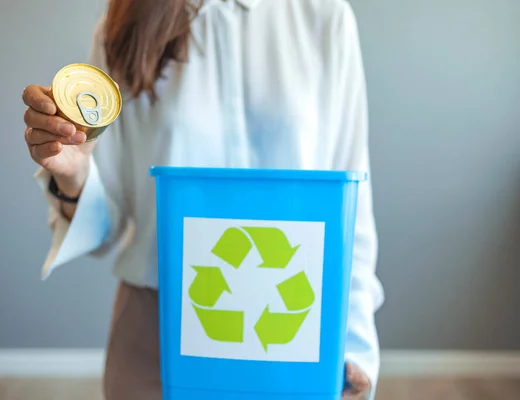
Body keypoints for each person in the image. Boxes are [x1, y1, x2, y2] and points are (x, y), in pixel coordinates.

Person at [22, 0, 384, 399]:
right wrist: (72, 176)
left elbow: (351, 207)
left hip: (292, 328)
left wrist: (353, 343)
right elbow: (107, 222)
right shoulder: (124, 20)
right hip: (156, 328)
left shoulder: (325, 16)